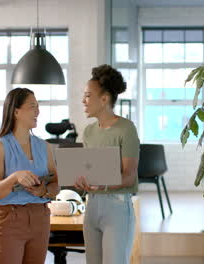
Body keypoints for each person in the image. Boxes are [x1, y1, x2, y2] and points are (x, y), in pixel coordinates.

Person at [0, 88, 60, 264]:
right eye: (32, 106)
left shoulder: (45, 147)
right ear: (16, 111)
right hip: (10, 221)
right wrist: (14, 178)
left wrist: (44, 190)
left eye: (38, 106)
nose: (38, 111)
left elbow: (56, 186)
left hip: (40, 219)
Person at [75, 64, 140, 264]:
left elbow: (129, 175)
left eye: (87, 95)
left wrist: (102, 184)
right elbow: (91, 169)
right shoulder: (88, 132)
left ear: (104, 99)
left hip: (117, 206)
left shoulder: (126, 129)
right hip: (92, 205)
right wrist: (81, 180)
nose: (83, 100)